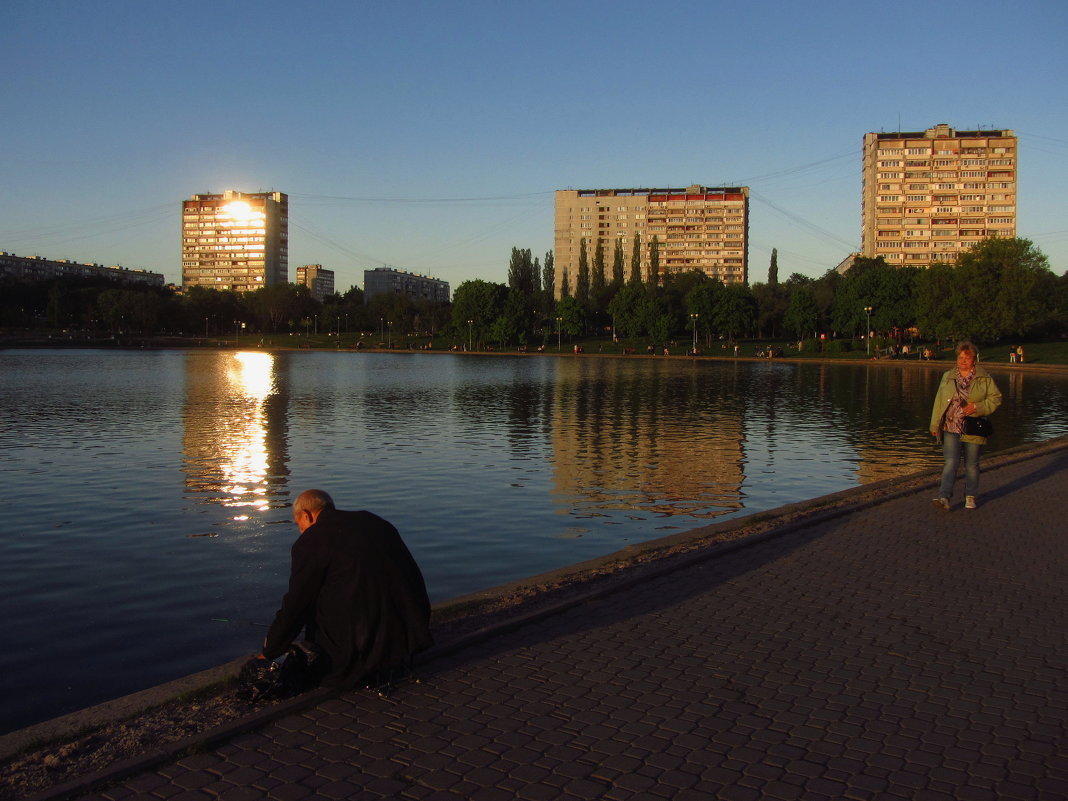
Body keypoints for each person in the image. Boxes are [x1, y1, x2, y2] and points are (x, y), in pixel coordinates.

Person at [260, 489, 433, 688]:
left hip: (356, 651)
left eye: (299, 524)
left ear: (306, 515)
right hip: (407, 636)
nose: (300, 531)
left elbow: (297, 603)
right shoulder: (374, 522)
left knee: (316, 602)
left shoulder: (311, 541)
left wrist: (271, 649)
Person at [929, 341, 1002, 510]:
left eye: (967, 358)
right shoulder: (948, 376)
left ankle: (970, 495)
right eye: (960, 357)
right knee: (951, 462)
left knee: (971, 464)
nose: (963, 361)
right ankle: (944, 496)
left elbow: (996, 398)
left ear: (974, 360)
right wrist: (934, 425)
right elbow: (939, 401)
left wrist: (977, 407)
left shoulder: (984, 378)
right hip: (951, 426)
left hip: (973, 426)